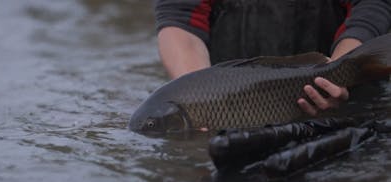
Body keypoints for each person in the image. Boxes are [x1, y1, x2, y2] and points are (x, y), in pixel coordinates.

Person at [154, 0, 391, 116]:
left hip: (346, 96)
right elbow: (180, 18)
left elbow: (371, 7)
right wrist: (196, 100)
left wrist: (339, 72)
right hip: (231, 98)